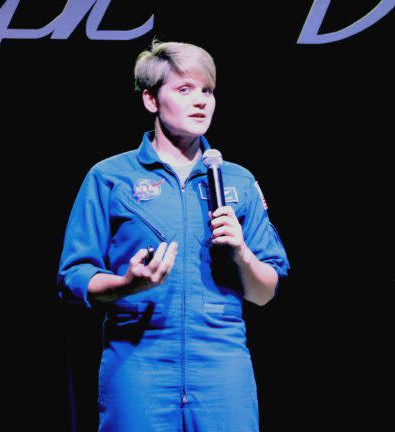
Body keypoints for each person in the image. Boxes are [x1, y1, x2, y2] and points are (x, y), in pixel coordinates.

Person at [57, 41, 290, 431]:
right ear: (151, 100)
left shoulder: (237, 181)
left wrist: (242, 254)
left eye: (207, 91)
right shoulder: (110, 177)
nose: (201, 102)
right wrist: (125, 284)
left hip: (221, 365)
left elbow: (265, 292)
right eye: (184, 90)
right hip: (138, 361)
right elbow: (74, 276)